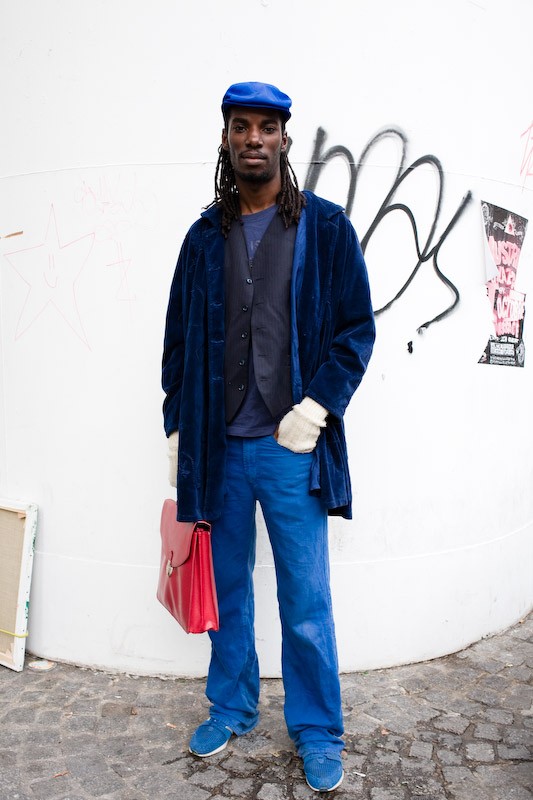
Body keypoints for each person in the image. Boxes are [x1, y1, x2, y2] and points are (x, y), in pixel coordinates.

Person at [162, 81, 375, 793]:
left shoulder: (325, 228)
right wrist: (175, 428)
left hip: (291, 451)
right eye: (240, 126)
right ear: (224, 139)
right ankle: (232, 706)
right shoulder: (203, 236)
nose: (253, 138)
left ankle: (316, 729)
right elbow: (176, 344)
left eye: (266, 127)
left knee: (305, 599)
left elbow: (354, 332)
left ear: (285, 137)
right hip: (217, 450)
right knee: (226, 592)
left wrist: (316, 408)